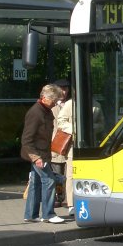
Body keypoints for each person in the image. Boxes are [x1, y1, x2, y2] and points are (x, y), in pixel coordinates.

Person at [21, 84, 65, 223]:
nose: (55, 103)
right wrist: (36, 158)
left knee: (36, 183)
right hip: (38, 155)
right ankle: (48, 214)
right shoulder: (36, 113)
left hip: (42, 153)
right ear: (45, 98)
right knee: (49, 181)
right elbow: (26, 139)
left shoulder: (45, 110)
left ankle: (31, 215)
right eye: (54, 100)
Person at [51, 78, 74, 216]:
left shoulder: (72, 104)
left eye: (66, 88)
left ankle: (67, 198)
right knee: (57, 173)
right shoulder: (52, 105)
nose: (64, 91)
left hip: (69, 143)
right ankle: (58, 197)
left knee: (68, 174)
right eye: (61, 89)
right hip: (56, 143)